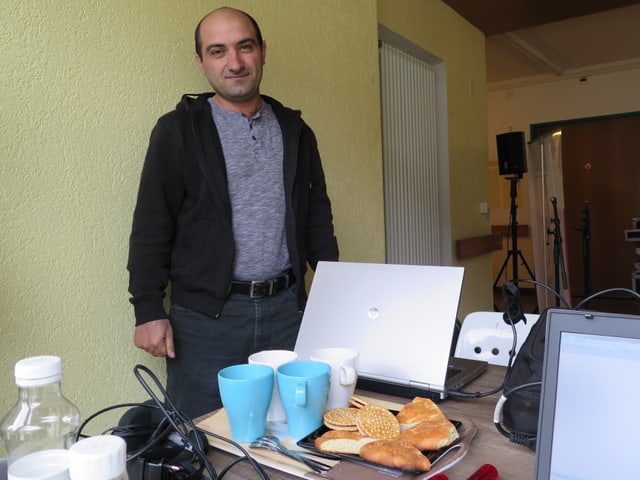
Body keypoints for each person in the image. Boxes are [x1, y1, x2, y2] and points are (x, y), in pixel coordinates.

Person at [127, 7, 339, 419]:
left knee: (293, 429)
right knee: (203, 439)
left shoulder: (296, 130)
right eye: (218, 51)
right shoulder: (177, 131)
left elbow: (316, 214)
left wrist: (333, 294)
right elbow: (152, 222)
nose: (235, 62)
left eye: (244, 47)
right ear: (201, 61)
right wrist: (148, 309)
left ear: (262, 51)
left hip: (288, 311)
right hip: (205, 321)